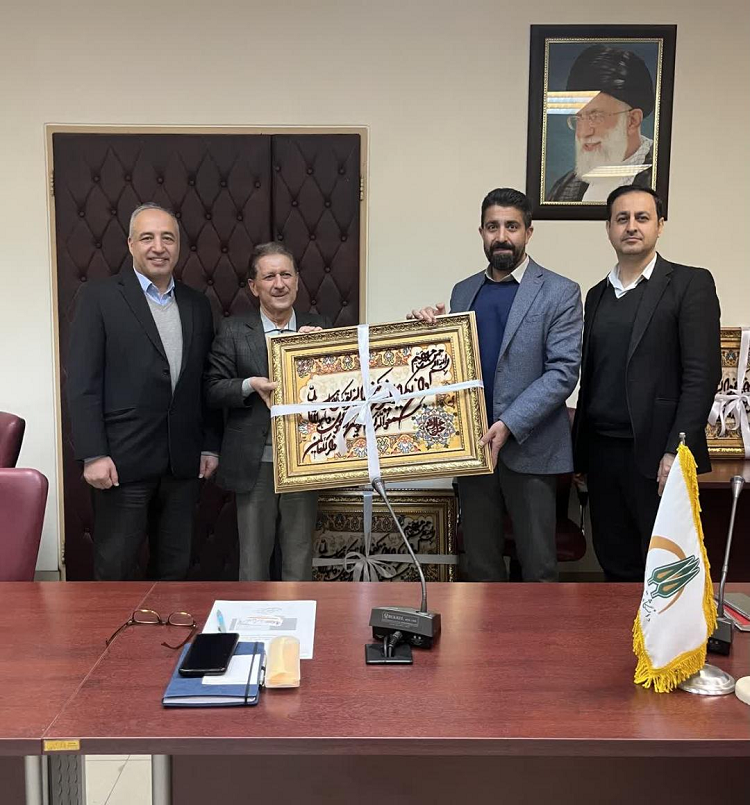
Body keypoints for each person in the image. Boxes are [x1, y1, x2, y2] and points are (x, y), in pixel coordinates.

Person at [409, 188, 582, 582]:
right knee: (480, 566)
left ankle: (540, 629)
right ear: (481, 232)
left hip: (532, 448)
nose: (502, 236)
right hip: (473, 451)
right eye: (492, 227)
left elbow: (562, 372)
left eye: (511, 227)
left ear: (529, 232)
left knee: (538, 568)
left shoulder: (560, 291)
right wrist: (422, 334)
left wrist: (508, 423)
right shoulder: (463, 291)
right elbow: (449, 366)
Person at [573, 186, 721, 581]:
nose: (631, 227)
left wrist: (676, 451)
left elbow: (701, 376)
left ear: (660, 226)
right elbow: (593, 377)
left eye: (642, 218)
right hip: (603, 455)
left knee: (664, 572)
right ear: (609, 228)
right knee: (614, 565)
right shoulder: (597, 295)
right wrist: (581, 455)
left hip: (658, 457)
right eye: (622, 219)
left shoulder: (689, 284)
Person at [67, 203, 221, 581]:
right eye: (147, 237)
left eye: (168, 238)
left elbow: (206, 381)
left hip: (182, 463)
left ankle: (165, 625)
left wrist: (210, 445)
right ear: (131, 244)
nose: (158, 247)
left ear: (178, 245)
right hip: (121, 462)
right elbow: (83, 381)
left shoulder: (197, 304)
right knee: (115, 570)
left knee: (174, 572)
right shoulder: (99, 297)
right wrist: (93, 453)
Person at [205, 242, 331, 581]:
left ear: (297, 280)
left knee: (299, 558)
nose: (279, 284)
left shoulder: (320, 325)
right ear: (254, 286)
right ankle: (254, 616)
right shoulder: (233, 330)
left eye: (286, 275)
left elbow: (341, 389)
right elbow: (213, 388)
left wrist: (321, 352)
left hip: (305, 459)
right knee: (253, 562)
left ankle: (299, 616)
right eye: (269, 276)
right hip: (255, 461)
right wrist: (249, 385)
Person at [548, 45, 656, 202]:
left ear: (632, 120)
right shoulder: (564, 188)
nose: (583, 132)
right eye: (578, 118)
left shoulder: (659, 176)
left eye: (596, 117)